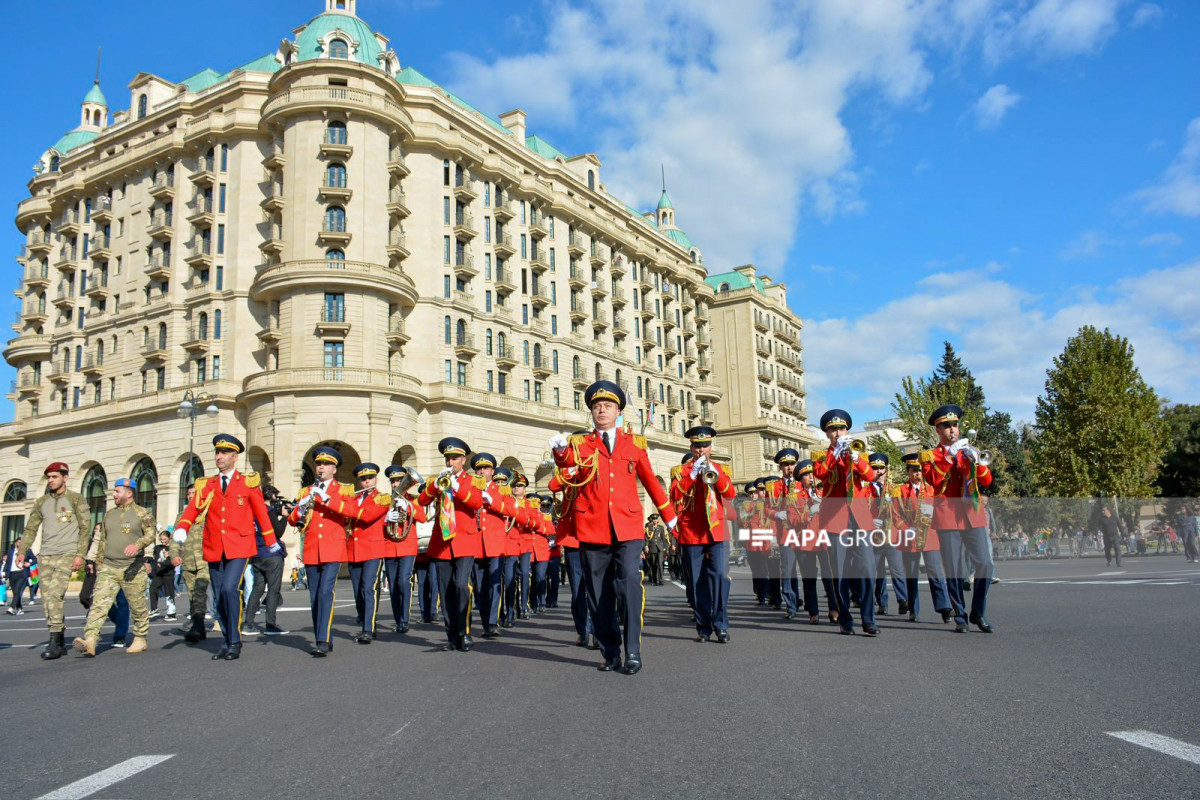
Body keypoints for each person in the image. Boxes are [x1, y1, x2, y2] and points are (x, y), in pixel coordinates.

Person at [549, 380, 678, 675]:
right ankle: (610, 651)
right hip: (592, 526)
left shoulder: (634, 445)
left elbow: (651, 483)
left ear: (618, 411)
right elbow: (567, 464)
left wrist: (669, 517)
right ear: (592, 413)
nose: (601, 410)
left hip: (628, 527)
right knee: (598, 593)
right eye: (596, 406)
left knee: (630, 582)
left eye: (607, 406)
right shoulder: (581, 445)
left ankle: (632, 649)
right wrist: (559, 452)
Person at [174, 434, 278, 660]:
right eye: (217, 453)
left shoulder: (247, 482)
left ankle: (235, 640)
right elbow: (193, 508)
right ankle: (227, 638)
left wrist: (271, 541)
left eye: (224, 453)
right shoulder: (207, 484)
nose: (219, 457)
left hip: (240, 546)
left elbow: (261, 512)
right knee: (220, 595)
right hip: (214, 546)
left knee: (231, 589)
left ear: (234, 456)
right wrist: (183, 526)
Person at [923, 404, 995, 634]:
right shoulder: (930, 456)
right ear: (938, 430)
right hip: (948, 517)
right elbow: (934, 479)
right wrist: (950, 457)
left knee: (985, 563)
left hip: (973, 515)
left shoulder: (969, 451)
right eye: (946, 426)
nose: (952, 430)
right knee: (954, 569)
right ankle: (960, 616)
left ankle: (978, 612)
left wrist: (976, 461)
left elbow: (986, 481)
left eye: (955, 425)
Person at [812, 409, 880, 636]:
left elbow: (870, 477)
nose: (837, 433)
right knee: (839, 573)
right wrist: (836, 453)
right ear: (827, 434)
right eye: (832, 430)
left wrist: (855, 459)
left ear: (847, 430)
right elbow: (820, 474)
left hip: (860, 519)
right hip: (835, 520)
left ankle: (869, 619)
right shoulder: (820, 456)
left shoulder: (860, 452)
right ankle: (846, 619)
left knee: (868, 568)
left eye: (841, 429)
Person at [72, 478, 156, 656]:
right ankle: (91, 640)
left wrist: (139, 545)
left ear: (129, 493)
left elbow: (151, 534)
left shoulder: (143, 513)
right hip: (108, 568)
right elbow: (100, 539)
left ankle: (140, 638)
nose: (114, 495)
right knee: (99, 605)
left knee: (137, 606)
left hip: (132, 569)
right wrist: (92, 560)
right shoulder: (109, 514)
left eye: (117, 491)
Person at [416, 437, 486, 652]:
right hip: (442, 543)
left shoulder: (474, 481)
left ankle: (465, 632)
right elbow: (421, 501)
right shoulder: (437, 479)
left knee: (460, 586)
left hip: (464, 541)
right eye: (448, 458)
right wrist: (434, 487)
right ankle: (452, 636)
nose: (450, 462)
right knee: (446, 591)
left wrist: (456, 487)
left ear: (463, 460)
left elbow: (475, 503)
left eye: (454, 458)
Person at [670, 425, 737, 644]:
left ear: (710, 447)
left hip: (717, 531)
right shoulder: (680, 472)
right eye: (697, 446)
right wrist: (692, 474)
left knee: (719, 577)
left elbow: (730, 493)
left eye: (705, 446)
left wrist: (715, 475)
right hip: (691, 532)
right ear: (691, 447)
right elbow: (675, 495)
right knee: (696, 581)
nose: (701, 450)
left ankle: (721, 625)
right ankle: (703, 627)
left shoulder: (720, 468)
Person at [289, 446, 355, 657]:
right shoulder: (305, 491)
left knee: (326, 593)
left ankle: (322, 640)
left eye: (326, 464)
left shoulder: (343, 490)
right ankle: (324, 635)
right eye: (318, 464)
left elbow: (352, 512)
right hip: (311, 549)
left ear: (334, 469)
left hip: (333, 548)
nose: (320, 467)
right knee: (315, 597)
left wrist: (326, 499)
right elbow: (293, 519)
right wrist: (299, 509)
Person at [21, 463, 90, 651]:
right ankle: (58, 635)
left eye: (54, 477)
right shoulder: (42, 502)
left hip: (67, 553)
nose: (50, 480)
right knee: (47, 598)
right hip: (45, 555)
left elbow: (85, 529)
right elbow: (31, 528)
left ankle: (54, 640)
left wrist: (80, 555)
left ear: (65, 478)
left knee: (54, 594)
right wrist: (21, 551)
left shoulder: (76, 499)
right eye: (49, 477)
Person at [893, 452, 951, 623]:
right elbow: (895, 514)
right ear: (908, 472)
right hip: (910, 536)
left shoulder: (932, 489)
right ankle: (913, 609)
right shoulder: (900, 490)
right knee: (911, 574)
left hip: (930, 535)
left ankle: (944, 608)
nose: (917, 473)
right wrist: (906, 528)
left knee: (935, 572)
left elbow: (942, 509)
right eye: (913, 470)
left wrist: (933, 516)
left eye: (919, 470)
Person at [468, 453, 518, 638]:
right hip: (476, 543)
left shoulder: (502, 490)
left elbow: (513, 510)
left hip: (496, 544)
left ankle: (492, 623)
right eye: (478, 469)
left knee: (495, 584)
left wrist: (492, 501)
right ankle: (485, 621)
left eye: (485, 468)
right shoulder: (470, 489)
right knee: (480, 587)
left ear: (492, 471)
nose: (482, 471)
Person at [548, 462, 596, 649]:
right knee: (578, 591)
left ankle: (597, 631)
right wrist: (571, 471)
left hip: (594, 536)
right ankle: (583, 631)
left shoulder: (593, 467)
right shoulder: (567, 471)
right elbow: (553, 485)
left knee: (595, 589)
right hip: (572, 539)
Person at [785, 460, 839, 625]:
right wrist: (809, 512)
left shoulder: (825, 492)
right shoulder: (794, 497)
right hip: (804, 540)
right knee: (809, 578)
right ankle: (813, 611)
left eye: (812, 474)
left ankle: (833, 609)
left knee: (829, 576)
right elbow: (792, 519)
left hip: (823, 539)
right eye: (806, 475)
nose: (811, 477)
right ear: (800, 479)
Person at [344, 462, 390, 644]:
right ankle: (366, 621)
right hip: (354, 550)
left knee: (368, 588)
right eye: (363, 479)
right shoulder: (354, 500)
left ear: (376, 479)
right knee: (357, 592)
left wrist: (346, 506)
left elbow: (368, 516)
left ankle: (368, 629)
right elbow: (345, 518)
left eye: (369, 478)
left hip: (373, 549)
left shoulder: (382, 498)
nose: (366, 482)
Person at [381, 464, 425, 634]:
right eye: (393, 481)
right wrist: (386, 518)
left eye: (399, 480)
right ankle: (398, 618)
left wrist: (408, 507)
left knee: (403, 581)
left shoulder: (412, 499)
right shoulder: (384, 500)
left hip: (407, 546)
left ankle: (405, 619)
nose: (395, 484)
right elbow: (376, 522)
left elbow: (422, 517)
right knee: (393, 585)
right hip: (389, 546)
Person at [867, 452, 909, 617]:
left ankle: (902, 600)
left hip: (891, 535)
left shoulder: (894, 489)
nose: (878, 471)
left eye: (881, 468)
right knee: (878, 573)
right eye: (875, 468)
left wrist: (894, 505)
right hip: (874, 536)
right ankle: (882, 603)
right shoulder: (865, 489)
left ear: (887, 469)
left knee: (897, 569)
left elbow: (904, 512)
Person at [243, 488, 289, 636]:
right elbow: (278, 531)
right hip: (272, 554)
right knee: (274, 590)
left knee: (257, 588)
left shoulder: (251, 510)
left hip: (257, 554)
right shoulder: (267, 510)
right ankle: (270, 624)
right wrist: (285, 517)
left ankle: (248, 624)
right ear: (273, 496)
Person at [767, 447, 804, 620]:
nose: (789, 468)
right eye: (785, 465)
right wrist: (775, 514)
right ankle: (791, 604)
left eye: (792, 464)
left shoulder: (802, 484)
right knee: (788, 570)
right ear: (780, 467)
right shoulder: (773, 487)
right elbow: (766, 508)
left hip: (804, 533)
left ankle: (809, 603)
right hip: (786, 533)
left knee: (808, 569)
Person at [146, 531, 177, 621]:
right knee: (152, 589)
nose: (163, 541)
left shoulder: (172, 548)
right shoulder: (157, 547)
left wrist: (163, 563)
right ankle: (154, 609)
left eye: (165, 539)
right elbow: (153, 558)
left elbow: (173, 561)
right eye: (161, 539)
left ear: (169, 538)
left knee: (169, 593)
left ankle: (171, 614)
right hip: (158, 573)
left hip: (168, 573)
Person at [2, 537, 33, 616]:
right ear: (15, 543)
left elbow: (35, 559)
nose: (20, 544)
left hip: (22, 573)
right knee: (15, 592)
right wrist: (4, 572)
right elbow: (8, 563)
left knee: (17, 590)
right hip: (12, 574)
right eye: (19, 542)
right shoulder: (10, 551)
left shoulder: (28, 551)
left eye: (22, 543)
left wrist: (30, 564)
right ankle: (20, 608)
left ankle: (11, 608)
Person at [642, 514, 670, 587]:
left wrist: (665, 548)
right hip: (652, 548)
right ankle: (654, 580)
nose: (655, 520)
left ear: (657, 520)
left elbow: (663, 538)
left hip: (660, 548)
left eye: (656, 519)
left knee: (660, 563)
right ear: (652, 520)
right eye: (654, 519)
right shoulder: (649, 528)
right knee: (654, 564)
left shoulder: (661, 528)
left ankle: (661, 580)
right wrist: (646, 546)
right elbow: (646, 539)